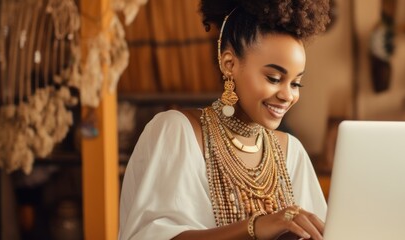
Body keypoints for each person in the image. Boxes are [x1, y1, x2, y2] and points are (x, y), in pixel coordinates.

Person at [118, 0, 331, 239]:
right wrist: (256, 226)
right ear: (229, 64)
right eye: (273, 78)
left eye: (295, 83)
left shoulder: (292, 152)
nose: (287, 95)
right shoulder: (178, 132)